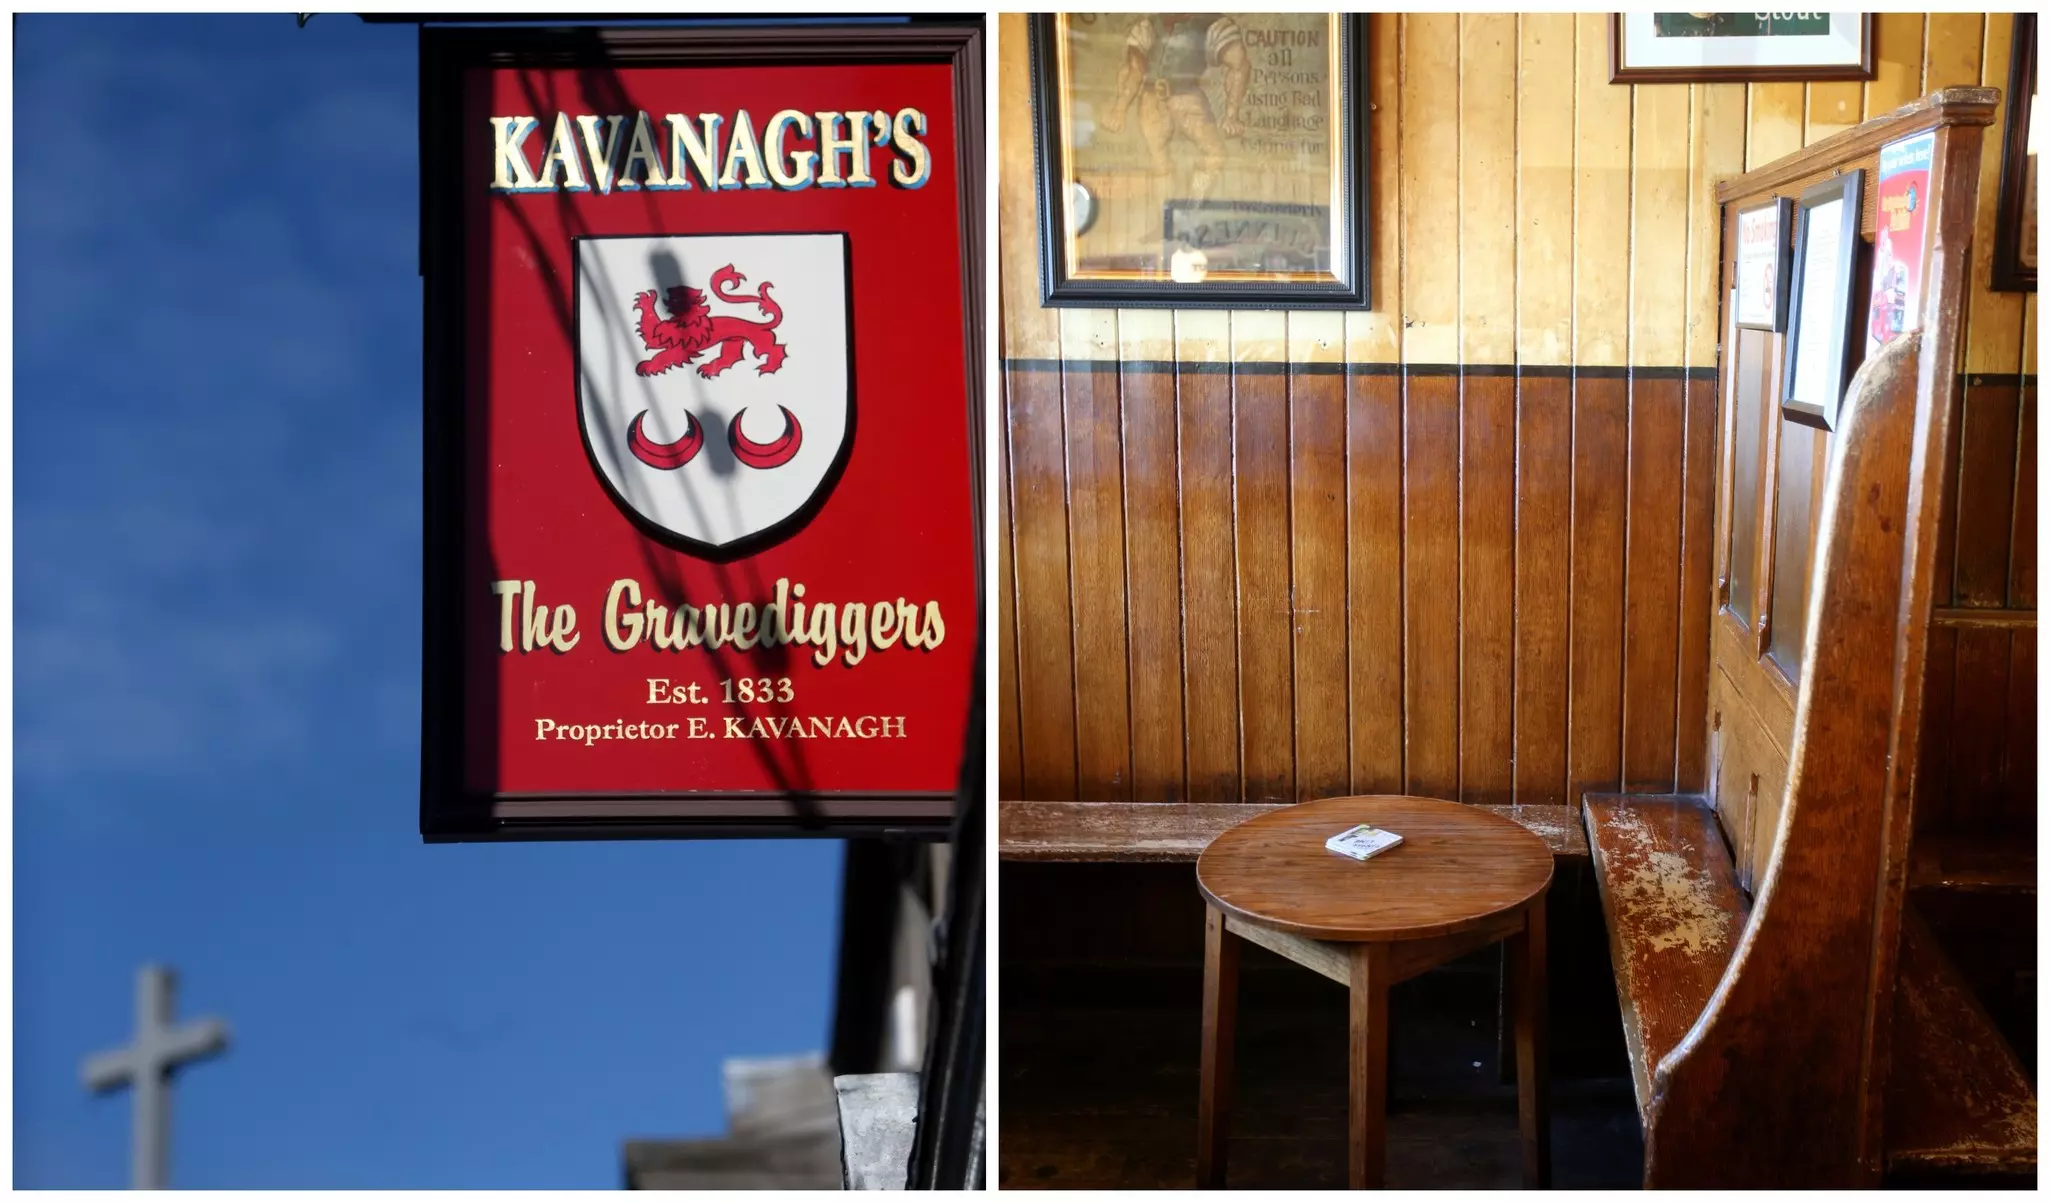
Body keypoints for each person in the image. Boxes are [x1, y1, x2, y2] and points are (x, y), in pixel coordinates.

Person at [1099, 13, 1250, 201]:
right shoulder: (1149, 25)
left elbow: (1239, 66)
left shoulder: (1212, 24)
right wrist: (1119, 109)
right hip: (1151, 101)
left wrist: (1232, 115)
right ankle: (1167, 211)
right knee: (1158, 163)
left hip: (1187, 98)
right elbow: (1133, 69)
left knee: (1215, 155)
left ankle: (1193, 205)